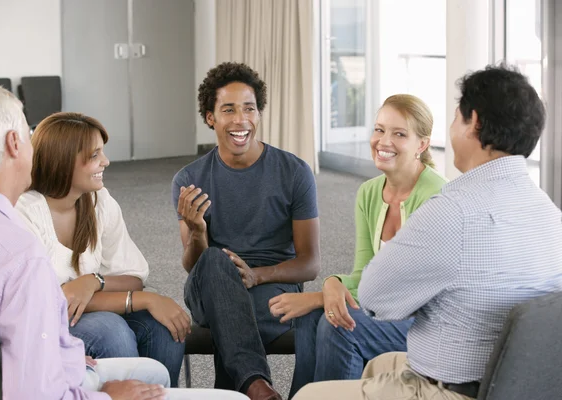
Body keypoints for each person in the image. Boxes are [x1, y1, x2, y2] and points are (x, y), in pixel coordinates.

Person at [293, 64, 562, 400]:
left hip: (452, 387)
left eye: (455, 119)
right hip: (513, 382)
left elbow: (375, 297)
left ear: (473, 122)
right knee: (377, 364)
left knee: (310, 395)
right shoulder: (550, 213)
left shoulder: (451, 210)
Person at [0, 84, 168, 399]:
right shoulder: (19, 253)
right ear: (14, 143)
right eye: (29, 136)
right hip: (17, 384)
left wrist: (63, 355)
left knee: (156, 372)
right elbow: (35, 395)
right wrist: (110, 398)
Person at [269, 94, 447, 398]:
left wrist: (319, 295)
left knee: (338, 325)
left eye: (399, 134)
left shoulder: (436, 196)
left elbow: (411, 291)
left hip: (430, 321)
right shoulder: (369, 193)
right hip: (388, 307)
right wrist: (333, 284)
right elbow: (366, 273)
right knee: (315, 317)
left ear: (422, 145)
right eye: (379, 130)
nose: (383, 141)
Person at [172, 62, 321, 400]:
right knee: (213, 260)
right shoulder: (189, 179)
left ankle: (250, 388)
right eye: (228, 110)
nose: (241, 120)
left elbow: (310, 263)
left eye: (249, 108)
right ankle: (256, 384)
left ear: (259, 113)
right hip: (210, 284)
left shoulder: (294, 172)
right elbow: (193, 266)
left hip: (272, 287)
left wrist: (257, 275)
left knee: (234, 319)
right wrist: (197, 232)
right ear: (211, 117)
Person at [15, 112, 187, 387]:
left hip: (89, 312)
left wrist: (94, 281)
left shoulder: (99, 201)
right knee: (112, 330)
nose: (106, 162)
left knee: (165, 327)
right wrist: (146, 300)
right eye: (95, 155)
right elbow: (56, 301)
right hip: (42, 324)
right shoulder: (24, 212)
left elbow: (133, 276)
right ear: (63, 161)